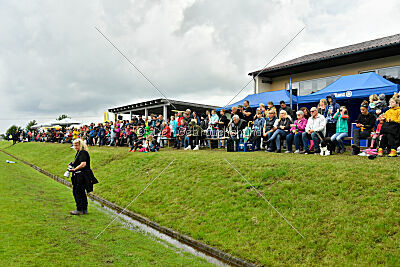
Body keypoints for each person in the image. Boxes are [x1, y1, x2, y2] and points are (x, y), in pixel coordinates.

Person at [69, 139, 98, 215]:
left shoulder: (82, 152)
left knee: (77, 192)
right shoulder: (80, 153)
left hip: (81, 175)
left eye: (76, 145)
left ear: (80, 145)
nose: (75, 147)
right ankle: (84, 209)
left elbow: (83, 164)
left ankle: (80, 209)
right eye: (74, 145)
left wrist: (74, 169)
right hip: (81, 175)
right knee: (81, 192)